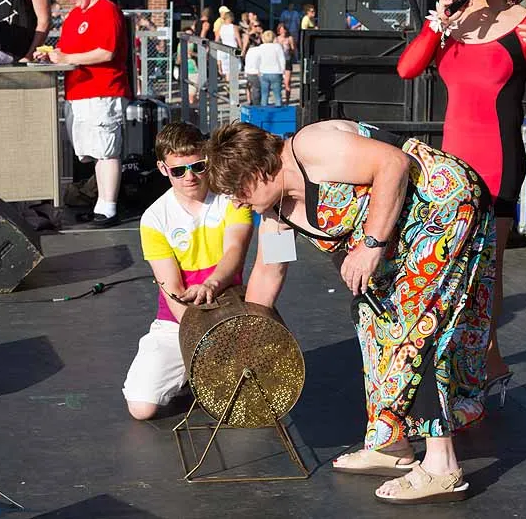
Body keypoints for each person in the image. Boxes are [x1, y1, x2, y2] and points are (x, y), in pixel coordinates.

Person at [205, 119, 496, 504]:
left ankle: (443, 467)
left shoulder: (309, 148)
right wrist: (247, 345)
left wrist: (371, 245)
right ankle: (391, 444)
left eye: (236, 190)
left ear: (258, 172)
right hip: (404, 230)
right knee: (371, 316)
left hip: (446, 202)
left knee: (414, 323)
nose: (236, 202)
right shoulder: (277, 214)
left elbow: (392, 164)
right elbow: (270, 272)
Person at [396, 0, 526, 398]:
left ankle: (487, 361)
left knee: (486, 271)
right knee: (448, 267)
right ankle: (463, 362)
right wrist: (437, 22)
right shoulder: (453, 20)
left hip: (496, 163)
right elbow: (408, 69)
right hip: (450, 165)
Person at [124, 122, 254, 420]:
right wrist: (201, 340)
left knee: (246, 404)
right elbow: (171, 290)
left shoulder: (232, 198)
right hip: (178, 322)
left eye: (197, 166)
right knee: (141, 408)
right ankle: (188, 370)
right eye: (178, 171)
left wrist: (213, 284)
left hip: (231, 312)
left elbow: (235, 251)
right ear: (162, 169)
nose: (190, 177)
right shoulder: (154, 218)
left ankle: (196, 369)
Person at [35, 0, 130, 228]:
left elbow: (106, 52)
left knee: (106, 149)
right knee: (92, 150)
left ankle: (108, 206)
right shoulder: (75, 16)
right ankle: (100, 201)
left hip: (103, 89)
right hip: (78, 91)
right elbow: (66, 50)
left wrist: (67, 57)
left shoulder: (107, 10)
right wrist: (52, 56)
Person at [250, 29, 287, 106]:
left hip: (264, 72)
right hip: (276, 72)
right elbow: (282, 59)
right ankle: (279, 110)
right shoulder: (277, 47)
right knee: (277, 95)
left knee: (264, 95)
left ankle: (264, 110)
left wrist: (257, 69)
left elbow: (257, 59)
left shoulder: (261, 47)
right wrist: (283, 70)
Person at [216, 10, 242, 79]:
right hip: (234, 48)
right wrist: (241, 49)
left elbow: (217, 40)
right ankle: (234, 84)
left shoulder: (220, 27)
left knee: (227, 71)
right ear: (232, 18)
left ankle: (228, 83)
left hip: (223, 49)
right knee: (235, 69)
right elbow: (238, 39)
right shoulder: (234, 27)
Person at [274, 22, 296, 101]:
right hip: (278, 62)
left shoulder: (290, 38)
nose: (283, 32)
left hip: (287, 61)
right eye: (281, 30)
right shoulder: (276, 39)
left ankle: (287, 100)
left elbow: (293, 50)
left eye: (284, 30)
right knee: (277, 83)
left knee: (287, 82)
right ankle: (278, 99)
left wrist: (289, 50)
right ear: (279, 31)